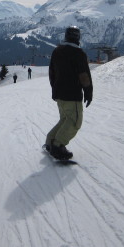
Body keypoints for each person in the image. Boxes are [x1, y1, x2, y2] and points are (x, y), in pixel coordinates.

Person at [45, 26, 93, 160]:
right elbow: (84, 76)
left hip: (59, 94)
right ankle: (58, 146)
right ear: (78, 38)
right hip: (72, 95)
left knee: (65, 119)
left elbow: (51, 73)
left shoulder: (57, 51)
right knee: (75, 121)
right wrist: (88, 93)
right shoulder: (78, 53)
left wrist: (55, 89)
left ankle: (51, 141)